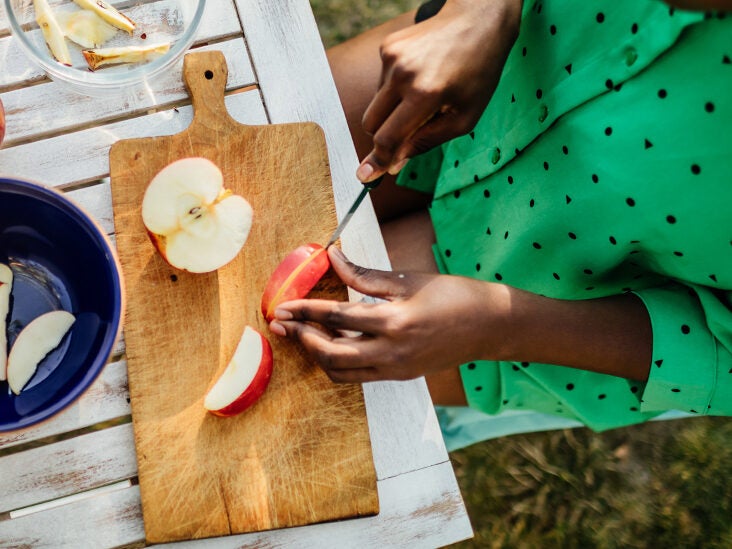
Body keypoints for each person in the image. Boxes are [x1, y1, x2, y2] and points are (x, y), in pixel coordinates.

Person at [268, 0, 732, 447]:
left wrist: (498, 328)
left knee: (287, 377)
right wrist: (481, 10)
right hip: (495, 67)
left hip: (548, 292)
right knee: (266, 154)